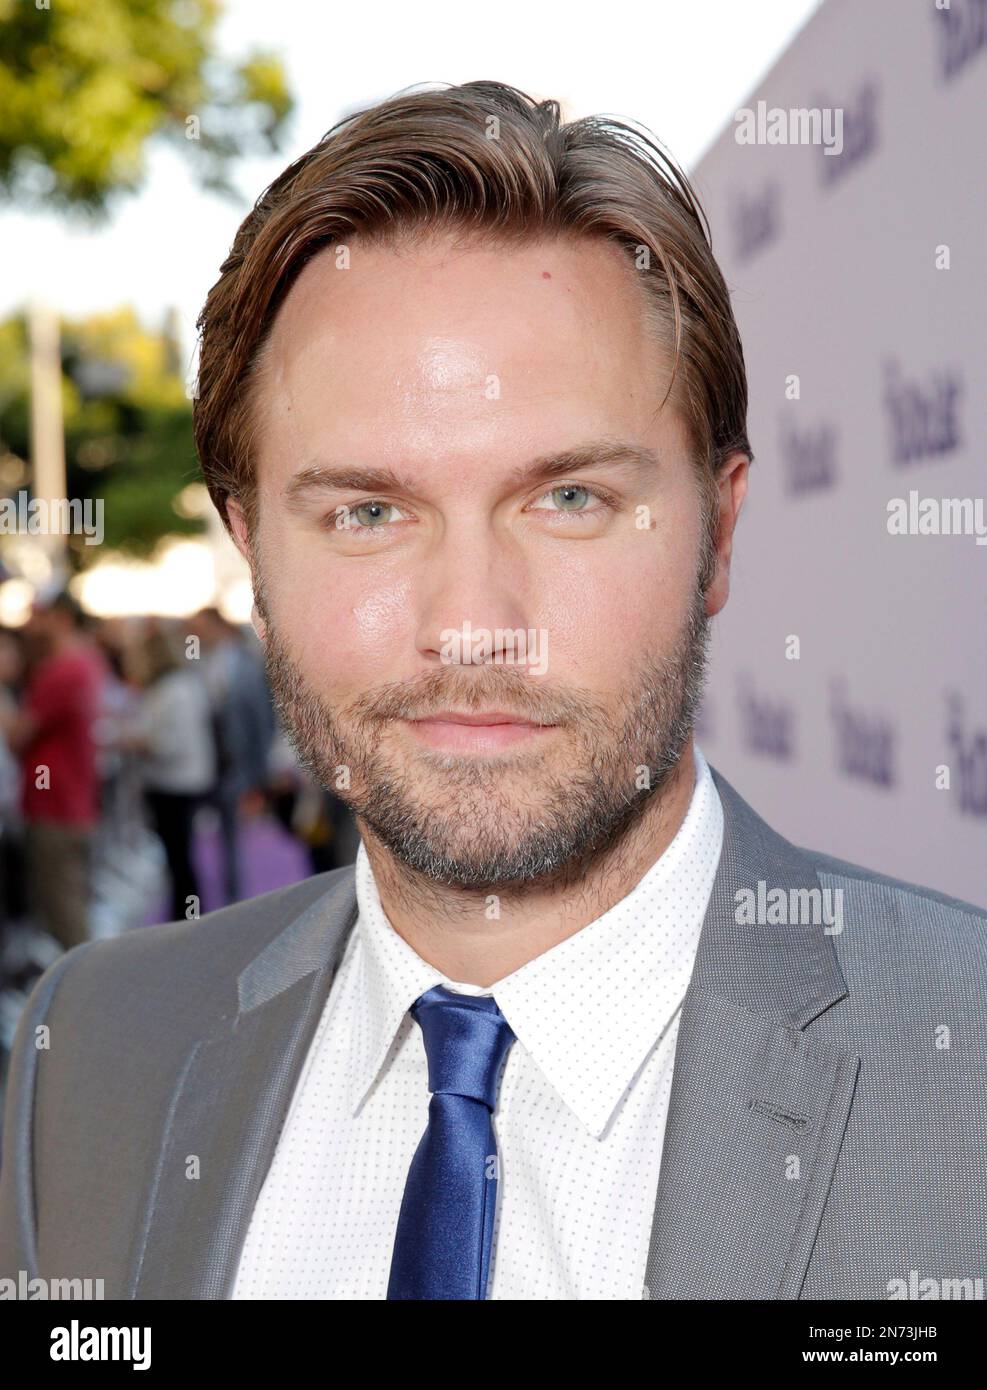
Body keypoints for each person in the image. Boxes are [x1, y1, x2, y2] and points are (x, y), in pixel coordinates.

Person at [2, 81, 986, 1301]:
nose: (471, 624)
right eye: (368, 511)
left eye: (568, 499)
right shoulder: (86, 1051)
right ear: (251, 550)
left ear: (718, 534)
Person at [0, 593, 105, 953]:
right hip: (72, 802)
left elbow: (18, 736)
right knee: (66, 907)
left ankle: (89, 1000)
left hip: (56, 807)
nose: (29, 624)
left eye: (37, 616)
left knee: (64, 914)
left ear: (60, 619)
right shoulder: (85, 662)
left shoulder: (61, 669)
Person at [121, 626, 217, 923]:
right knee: (181, 855)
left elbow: (167, 745)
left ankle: (186, 914)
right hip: (186, 780)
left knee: (179, 856)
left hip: (174, 783)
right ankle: (187, 911)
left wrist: (135, 741)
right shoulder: (184, 685)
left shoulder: (171, 691)